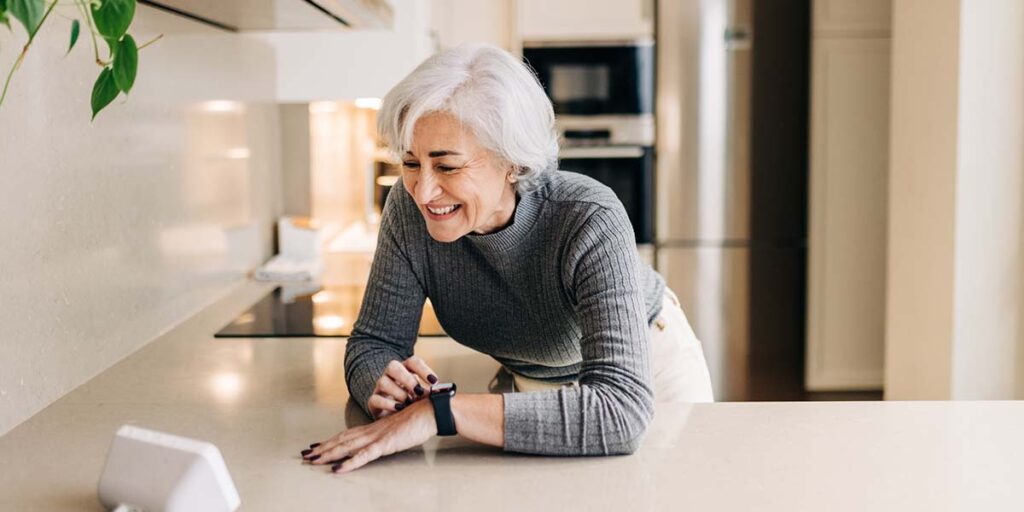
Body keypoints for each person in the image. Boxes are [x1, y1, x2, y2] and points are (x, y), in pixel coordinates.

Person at [300, 43, 713, 473]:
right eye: (410, 162)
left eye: (447, 167)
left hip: (650, 372)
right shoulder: (407, 213)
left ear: (511, 162)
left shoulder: (588, 217)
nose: (422, 191)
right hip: (532, 382)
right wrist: (380, 381)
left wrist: (440, 411)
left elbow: (620, 411)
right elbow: (374, 342)